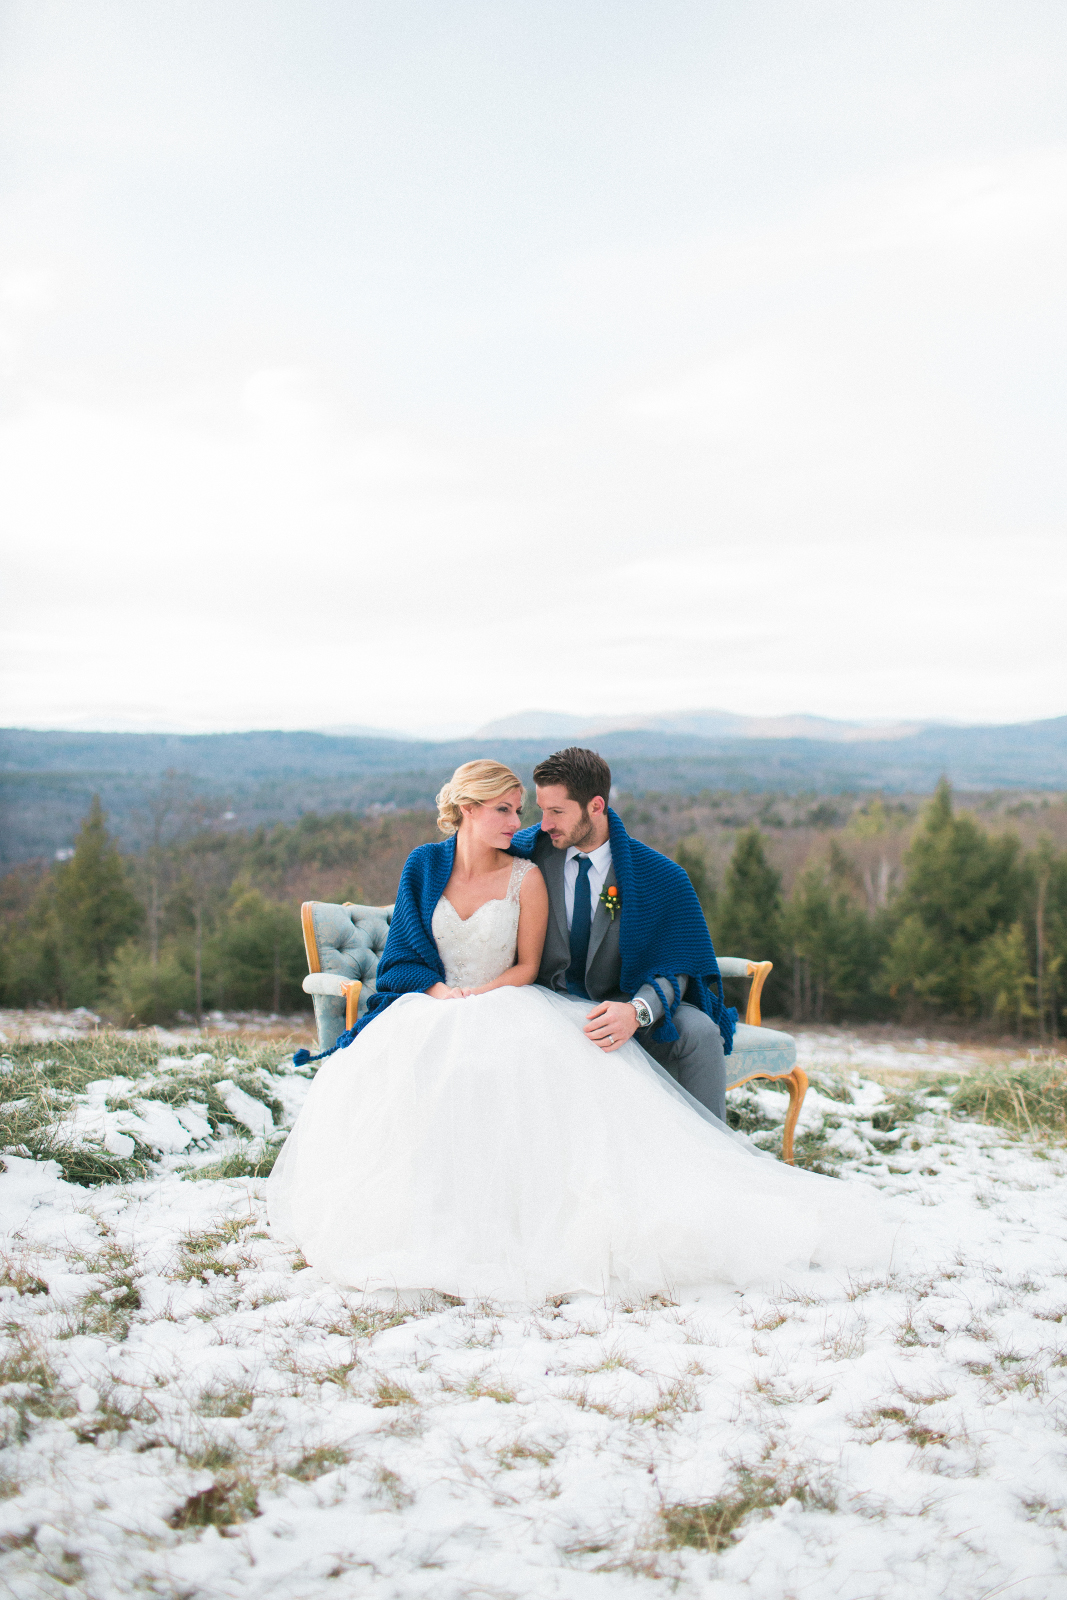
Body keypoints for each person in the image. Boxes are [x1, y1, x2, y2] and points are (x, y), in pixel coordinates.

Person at [267, 757, 897, 1302]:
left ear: (595, 807)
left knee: (695, 1034)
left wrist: (638, 1008)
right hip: (479, 1003)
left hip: (580, 1003)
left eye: (546, 811)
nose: (534, 825)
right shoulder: (477, 858)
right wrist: (441, 992)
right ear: (466, 809)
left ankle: (697, 1173)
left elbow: (675, 958)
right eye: (519, 811)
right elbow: (412, 946)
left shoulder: (649, 876)